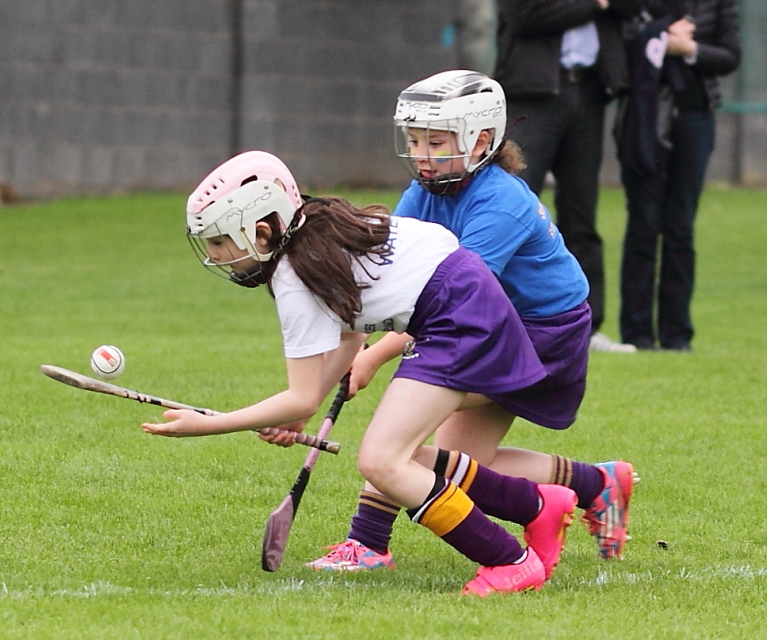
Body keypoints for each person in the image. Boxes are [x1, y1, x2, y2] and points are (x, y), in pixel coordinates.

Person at [143, 150, 577, 596]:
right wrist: (304, 405)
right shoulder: (315, 228)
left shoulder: (294, 275)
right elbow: (351, 331)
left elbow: (301, 397)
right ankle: (539, 507)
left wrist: (210, 425)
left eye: (219, 242)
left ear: (260, 230)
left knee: (382, 460)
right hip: (459, 305)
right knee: (397, 454)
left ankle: (510, 560)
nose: (215, 256)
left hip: (459, 318)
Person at [307, 70, 635, 573]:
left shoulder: (501, 202)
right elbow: (396, 267)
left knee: (403, 436)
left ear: (480, 140)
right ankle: (596, 484)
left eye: (434, 141)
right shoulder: (429, 189)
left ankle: (368, 542)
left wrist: (373, 354)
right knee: (461, 468)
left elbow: (453, 297)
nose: (420, 153)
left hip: (541, 333)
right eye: (414, 140)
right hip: (485, 322)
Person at [493, 0, 648, 353]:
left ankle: (586, 326)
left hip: (590, 93)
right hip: (534, 94)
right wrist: (589, 5)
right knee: (516, 204)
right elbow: (524, 13)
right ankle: (502, 319)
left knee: (582, 215)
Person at [617, 0, 741, 352]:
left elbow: (731, 54)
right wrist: (657, 39)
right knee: (643, 223)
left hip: (695, 118)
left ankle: (676, 336)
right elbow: (625, 40)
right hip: (643, 121)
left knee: (681, 226)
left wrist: (689, 49)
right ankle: (636, 335)